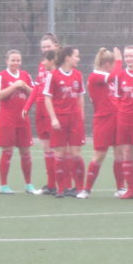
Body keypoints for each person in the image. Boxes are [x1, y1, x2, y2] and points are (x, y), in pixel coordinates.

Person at [43, 46, 86, 197]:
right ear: (67, 58)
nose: (78, 59)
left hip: (74, 119)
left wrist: (81, 117)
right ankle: (60, 189)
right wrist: (54, 118)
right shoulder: (53, 75)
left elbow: (81, 97)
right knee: (60, 153)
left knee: (76, 153)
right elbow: (47, 98)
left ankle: (79, 188)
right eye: (76, 56)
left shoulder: (78, 75)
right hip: (60, 119)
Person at [80, 47, 120, 199]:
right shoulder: (96, 76)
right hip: (103, 119)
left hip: (116, 117)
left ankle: (120, 188)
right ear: (107, 64)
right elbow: (112, 77)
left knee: (119, 153)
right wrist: (119, 61)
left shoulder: (108, 76)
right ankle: (86, 189)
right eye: (113, 64)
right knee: (99, 155)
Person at [0, 49, 35, 194]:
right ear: (7, 61)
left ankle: (29, 185)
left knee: (26, 152)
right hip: (7, 119)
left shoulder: (26, 75)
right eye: (13, 60)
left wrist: (25, 86)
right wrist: (14, 86)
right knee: (7, 151)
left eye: (18, 60)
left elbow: (35, 94)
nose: (15, 63)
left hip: (23, 119)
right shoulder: (1, 76)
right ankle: (3, 185)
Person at [24, 32, 60, 195]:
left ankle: (62, 184)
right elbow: (37, 87)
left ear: (56, 47)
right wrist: (27, 106)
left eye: (49, 46)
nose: (45, 49)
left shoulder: (62, 65)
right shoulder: (42, 65)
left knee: (57, 148)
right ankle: (51, 185)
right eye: (43, 47)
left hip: (53, 109)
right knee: (46, 147)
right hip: (40, 108)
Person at [112, 45, 133, 198]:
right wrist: (122, 113)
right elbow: (118, 98)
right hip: (124, 119)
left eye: (131, 56)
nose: (129, 59)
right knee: (126, 153)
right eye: (126, 56)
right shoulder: (120, 76)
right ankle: (130, 189)